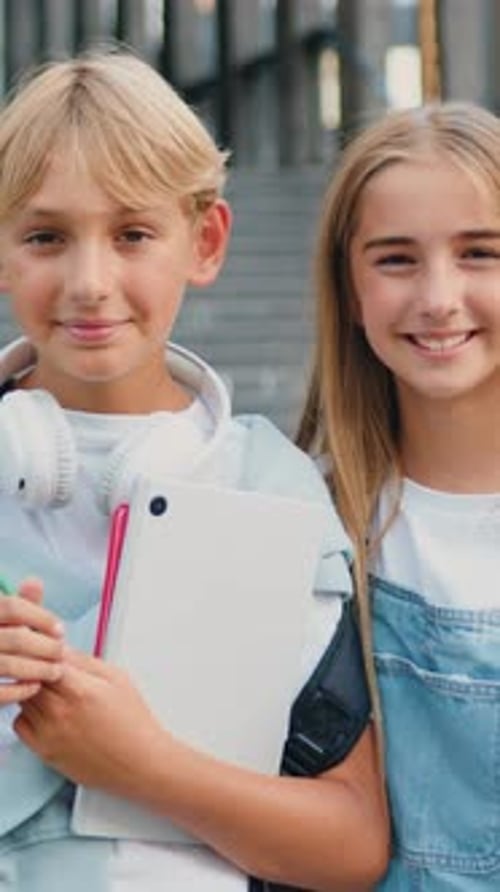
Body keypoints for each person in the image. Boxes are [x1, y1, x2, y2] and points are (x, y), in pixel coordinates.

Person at [0, 49, 388, 892]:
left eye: (133, 234)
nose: (90, 281)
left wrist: (142, 766)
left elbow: (353, 845)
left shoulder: (270, 492)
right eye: (44, 236)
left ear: (204, 241)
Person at [297, 98, 500, 890]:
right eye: (395, 259)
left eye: (480, 252)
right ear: (349, 289)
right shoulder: (307, 524)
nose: (438, 297)